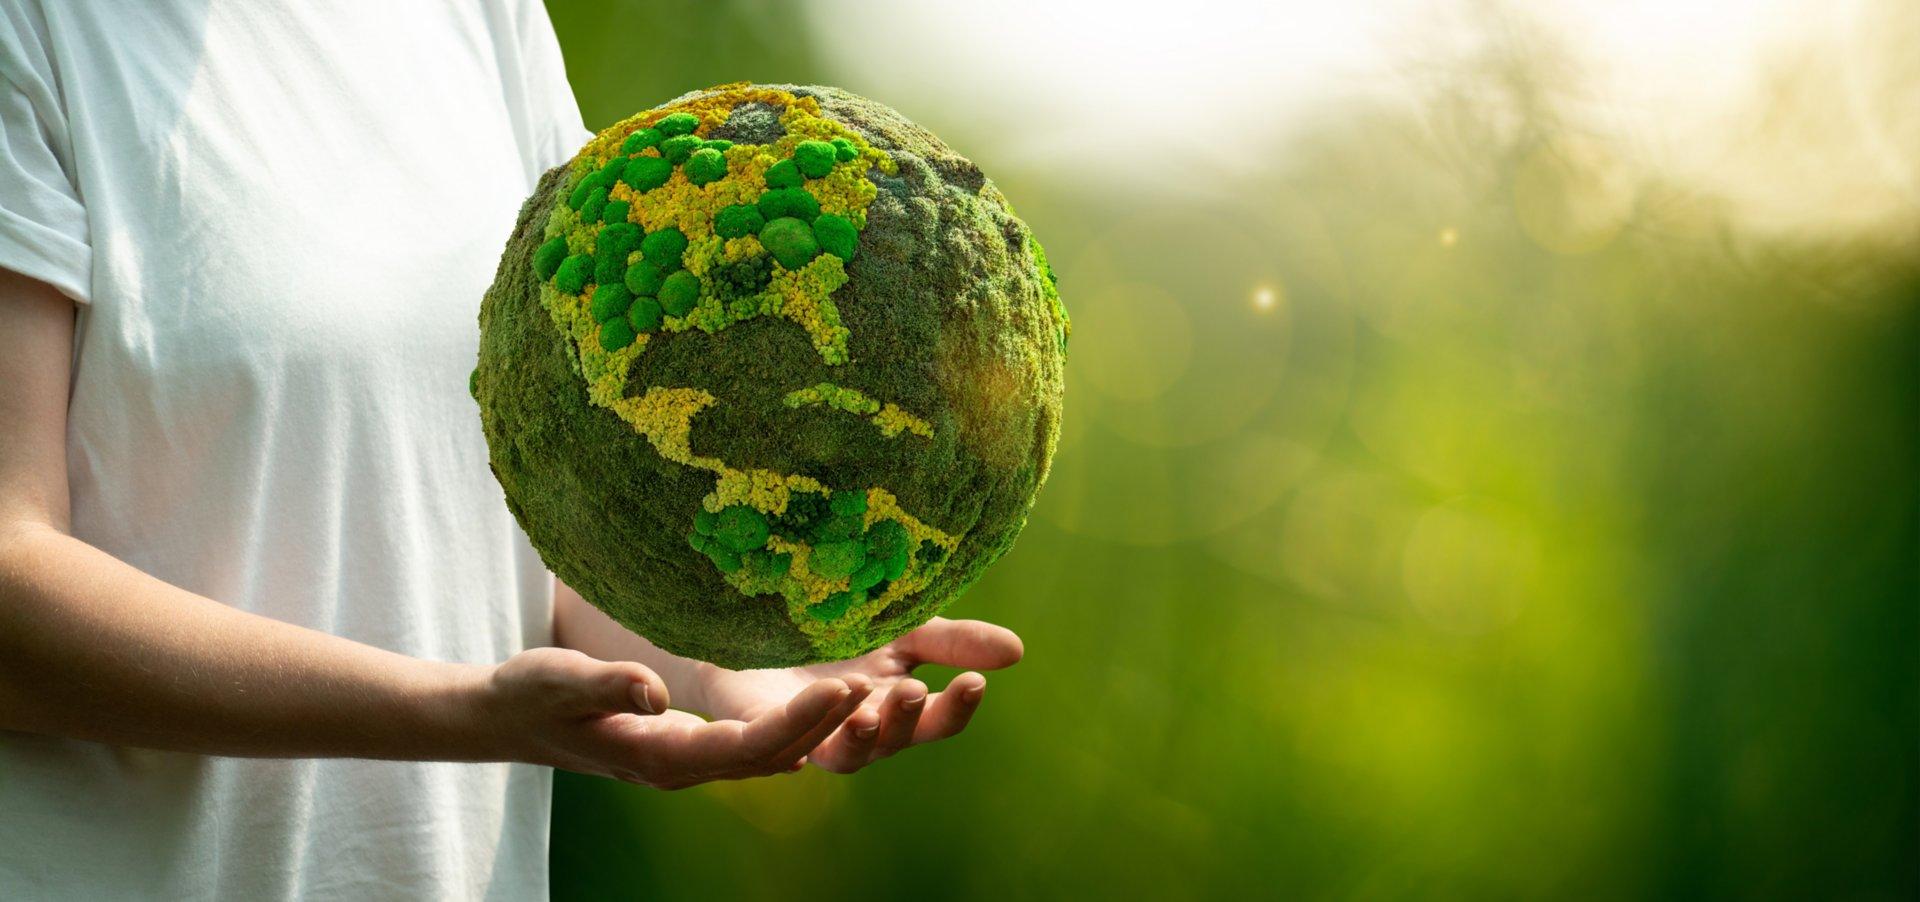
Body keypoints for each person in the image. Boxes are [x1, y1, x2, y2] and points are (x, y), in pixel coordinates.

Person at [0, 2, 1023, 898]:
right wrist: (466, 712)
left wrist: (721, 659)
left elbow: (522, 513)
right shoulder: (35, 31)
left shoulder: (481, 18)